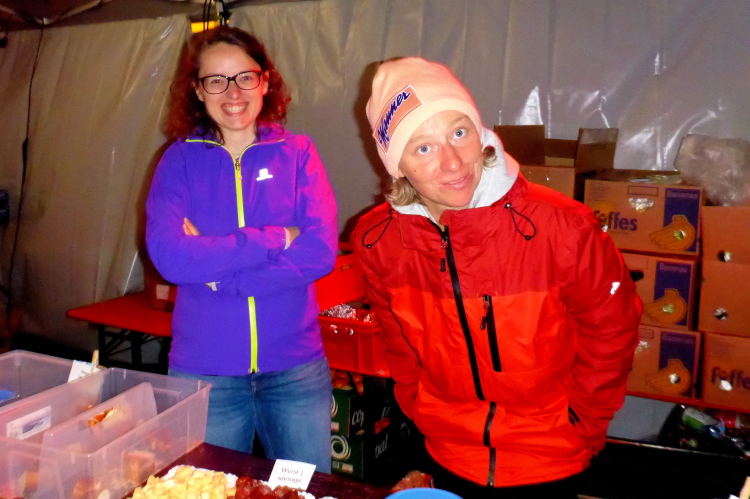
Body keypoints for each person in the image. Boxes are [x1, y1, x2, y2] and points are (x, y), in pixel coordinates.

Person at [351, 57, 643, 497]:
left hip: (548, 456)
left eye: (459, 132)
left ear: (480, 132)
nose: (453, 163)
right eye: (423, 148)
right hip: (448, 450)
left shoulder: (563, 227)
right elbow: (397, 339)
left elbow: (612, 330)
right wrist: (418, 403)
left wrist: (582, 420)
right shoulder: (378, 240)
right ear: (397, 165)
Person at [145, 26, 338, 472]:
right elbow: (172, 258)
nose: (233, 92)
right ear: (198, 90)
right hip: (205, 374)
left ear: (265, 82)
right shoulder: (178, 160)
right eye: (216, 80)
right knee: (206, 491)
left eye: (245, 77)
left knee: (304, 491)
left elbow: (320, 251)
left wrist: (222, 276)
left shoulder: (298, 153)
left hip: (295, 370)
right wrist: (275, 237)